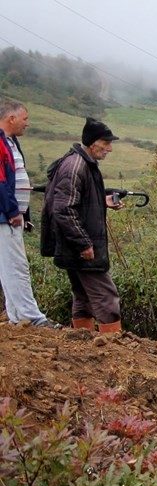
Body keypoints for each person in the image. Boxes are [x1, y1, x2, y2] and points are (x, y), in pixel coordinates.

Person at [40, 117, 124, 333]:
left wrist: (101, 201)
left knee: (83, 297)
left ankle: (83, 343)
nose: (110, 148)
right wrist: (83, 244)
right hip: (81, 245)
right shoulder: (76, 166)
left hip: (73, 244)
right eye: (106, 143)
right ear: (92, 142)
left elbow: (74, 202)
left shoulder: (80, 163)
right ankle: (114, 349)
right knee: (106, 297)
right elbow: (64, 209)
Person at [0, 99, 59, 328]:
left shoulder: (10, 142)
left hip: (10, 216)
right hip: (5, 215)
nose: (27, 123)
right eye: (25, 119)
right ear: (11, 118)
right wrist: (13, 210)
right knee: (16, 266)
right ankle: (32, 318)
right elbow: (1, 180)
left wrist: (22, 215)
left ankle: (18, 317)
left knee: (9, 266)